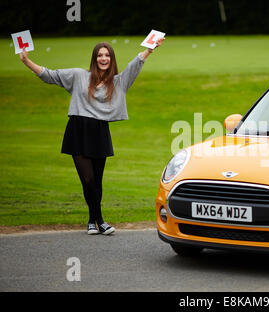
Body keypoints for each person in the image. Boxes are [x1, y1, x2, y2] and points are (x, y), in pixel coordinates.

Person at [19, 38, 165, 235]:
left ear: (111, 59)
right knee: (87, 179)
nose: (103, 58)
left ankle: (91, 221)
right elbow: (49, 75)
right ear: (94, 59)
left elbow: (135, 64)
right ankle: (101, 221)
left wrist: (149, 49)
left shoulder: (119, 82)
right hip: (78, 131)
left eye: (107, 55)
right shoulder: (78, 76)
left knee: (97, 181)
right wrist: (27, 61)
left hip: (99, 132)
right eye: (100, 55)